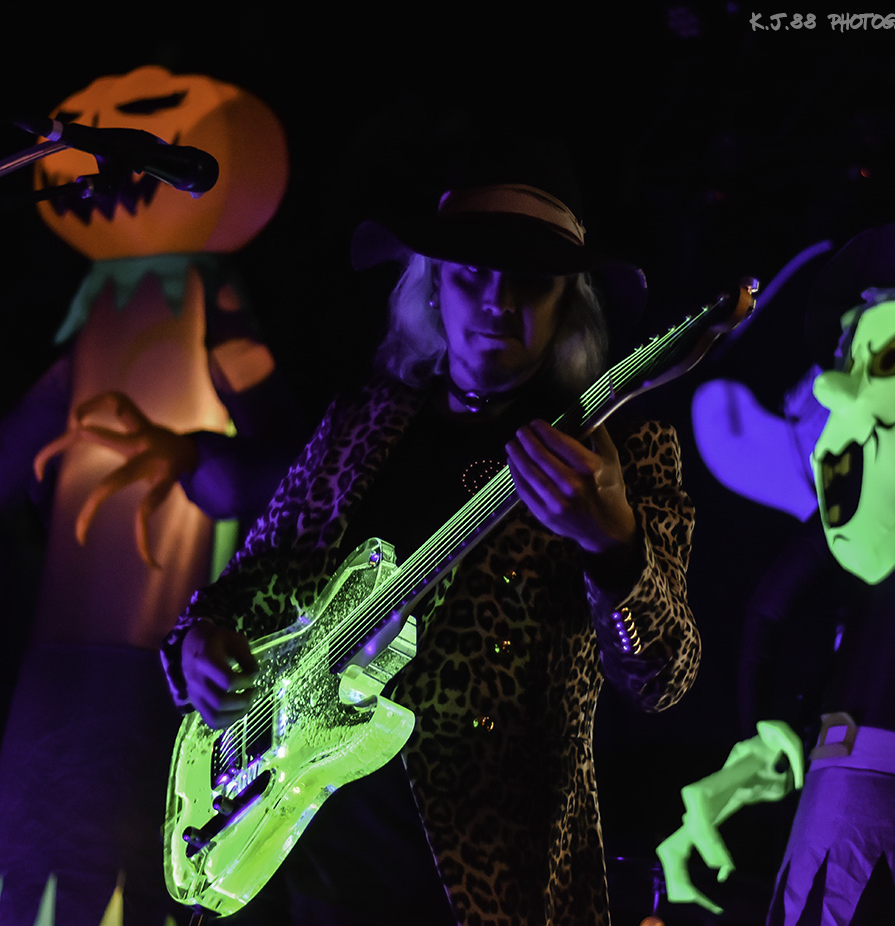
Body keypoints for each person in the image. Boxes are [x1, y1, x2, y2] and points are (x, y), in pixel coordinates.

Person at [159, 142, 700, 925]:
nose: (494, 301)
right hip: (299, 850)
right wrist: (200, 644)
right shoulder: (362, 423)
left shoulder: (614, 450)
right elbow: (248, 584)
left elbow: (667, 675)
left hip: (484, 883)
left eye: (529, 283)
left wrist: (611, 540)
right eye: (470, 274)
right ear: (433, 285)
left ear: (566, 302)